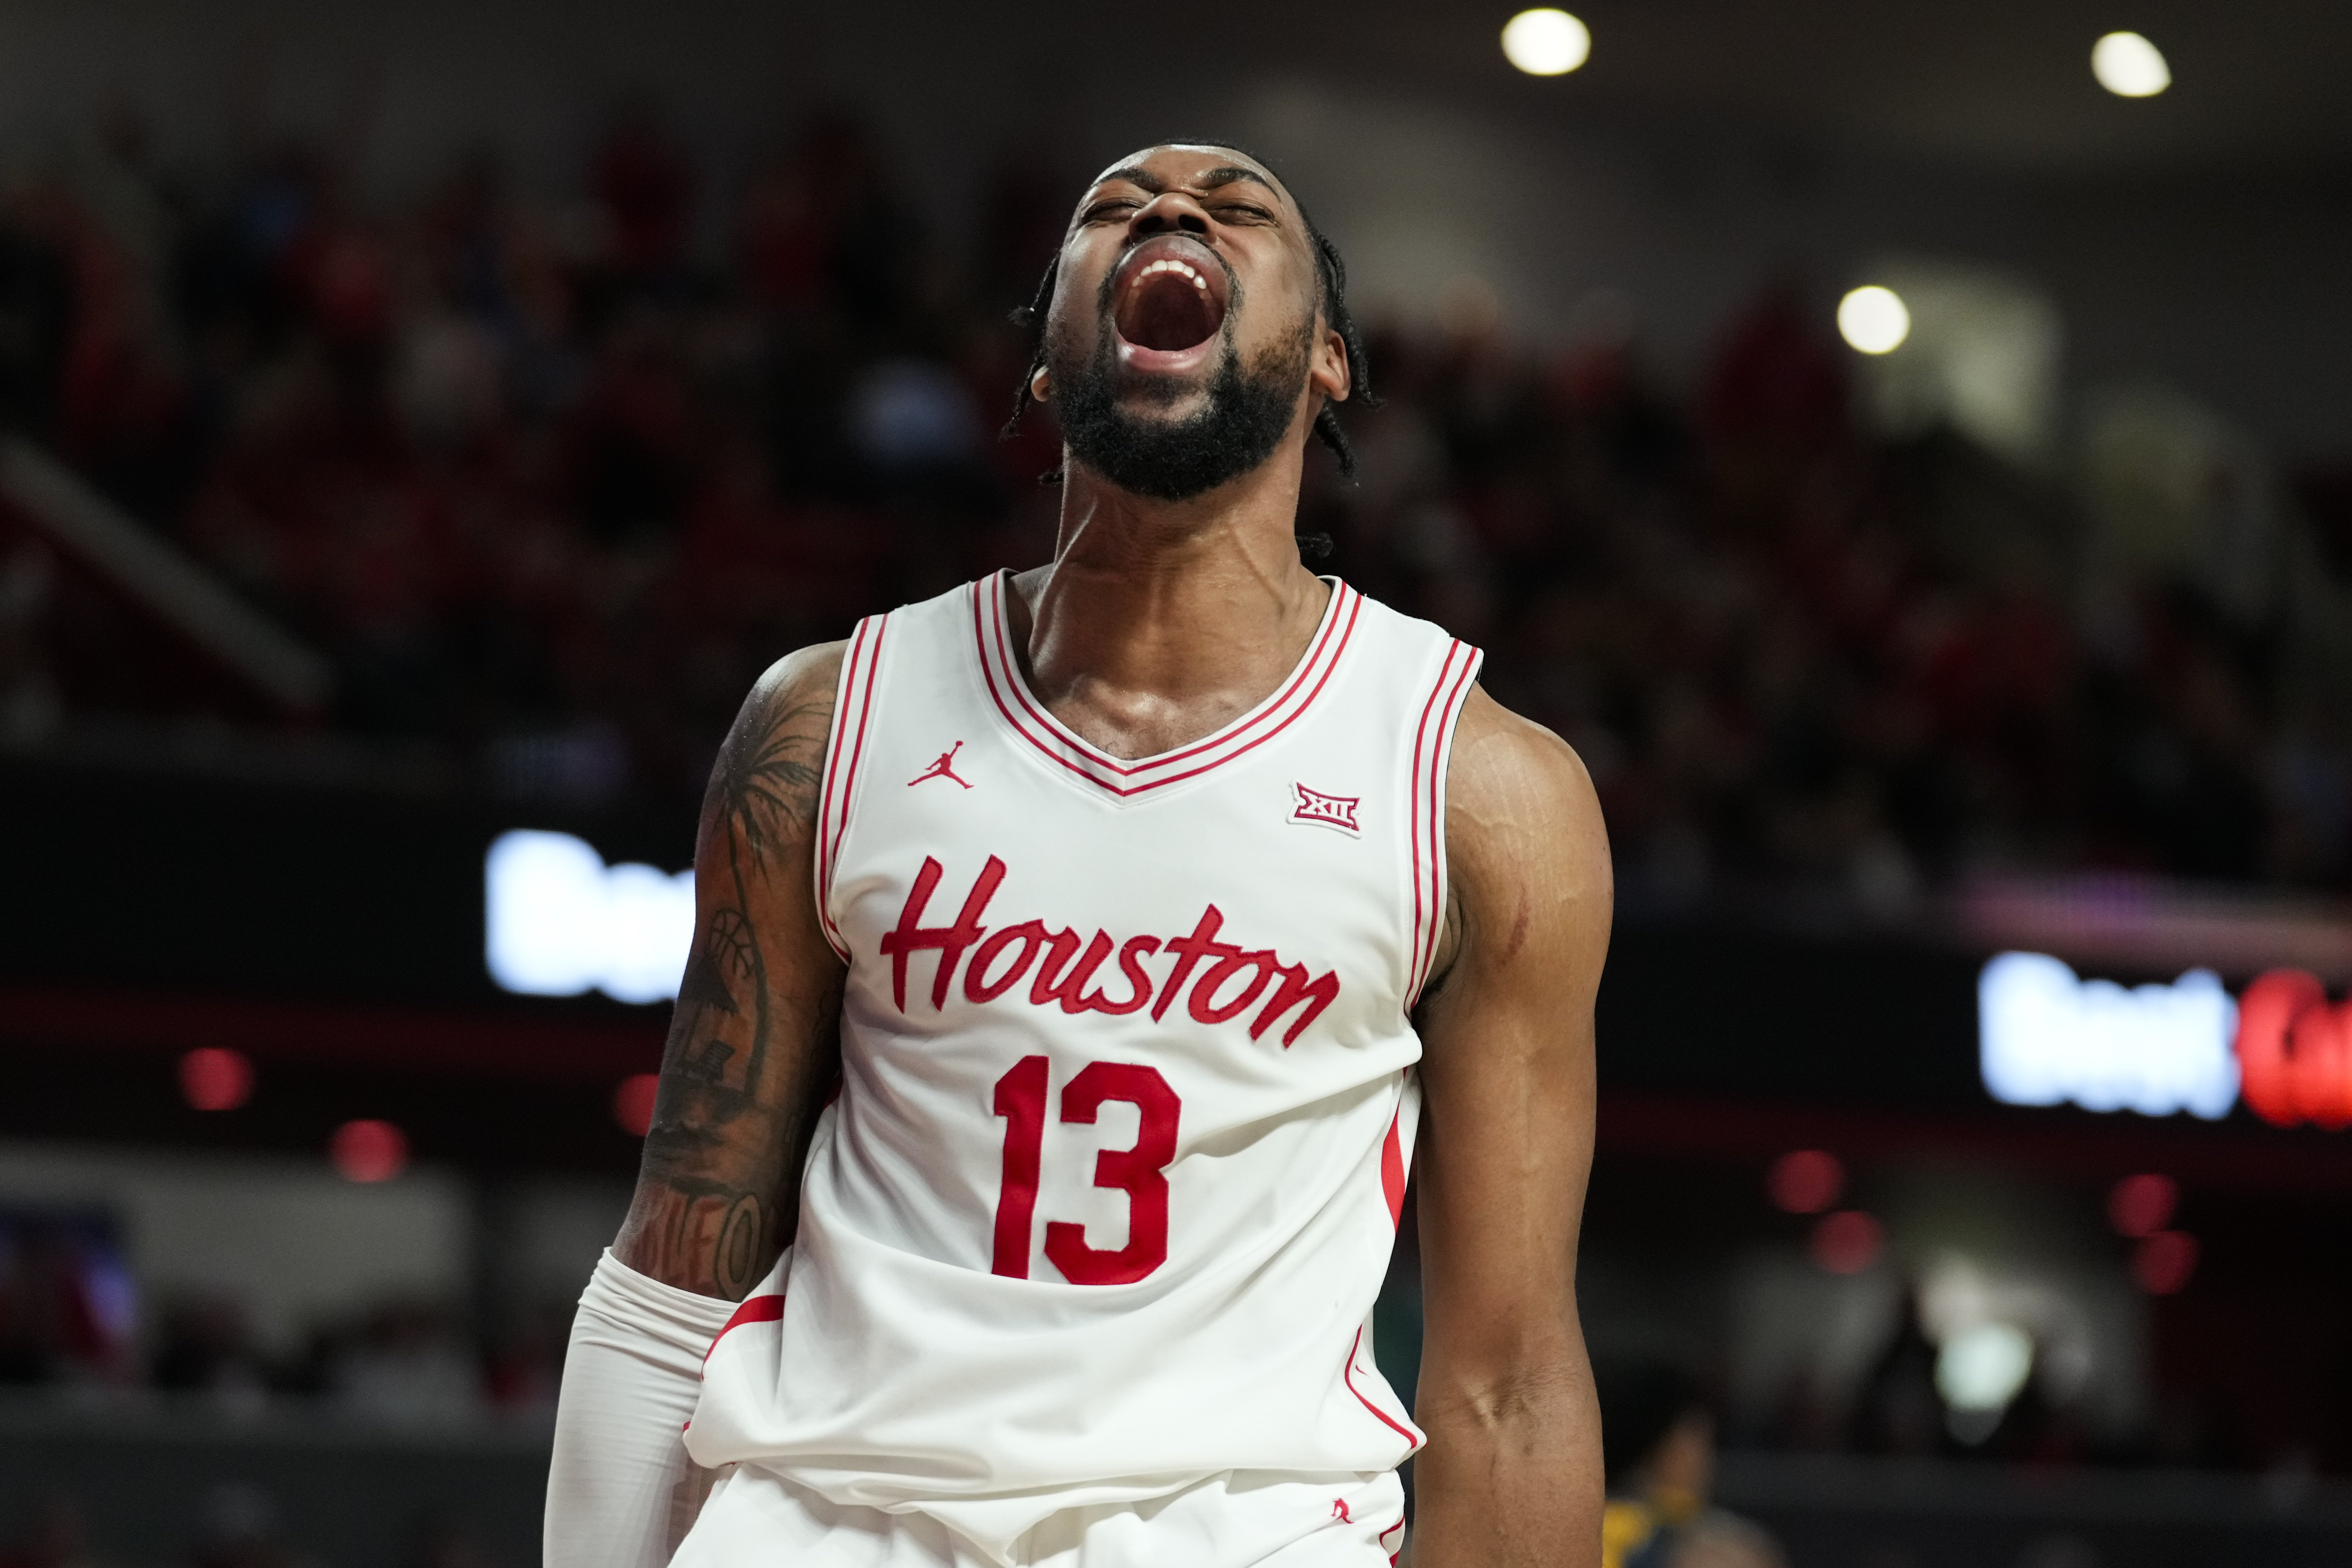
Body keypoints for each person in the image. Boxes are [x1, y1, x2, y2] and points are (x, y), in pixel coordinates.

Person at [545, 141, 1613, 1568]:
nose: (1169, 210)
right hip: (827, 1526)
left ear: (1329, 364)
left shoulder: (1476, 786)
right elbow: (672, 1276)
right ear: (1046, 367)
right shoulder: (824, 723)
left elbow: (1507, 1384)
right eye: (1112, 209)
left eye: (1234, 209)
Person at [1594, 1359, 1783, 1568]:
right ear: (1670, 1445)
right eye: (1700, 1438)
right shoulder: (1727, 1552)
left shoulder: (1579, 1523)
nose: (1708, 1457)